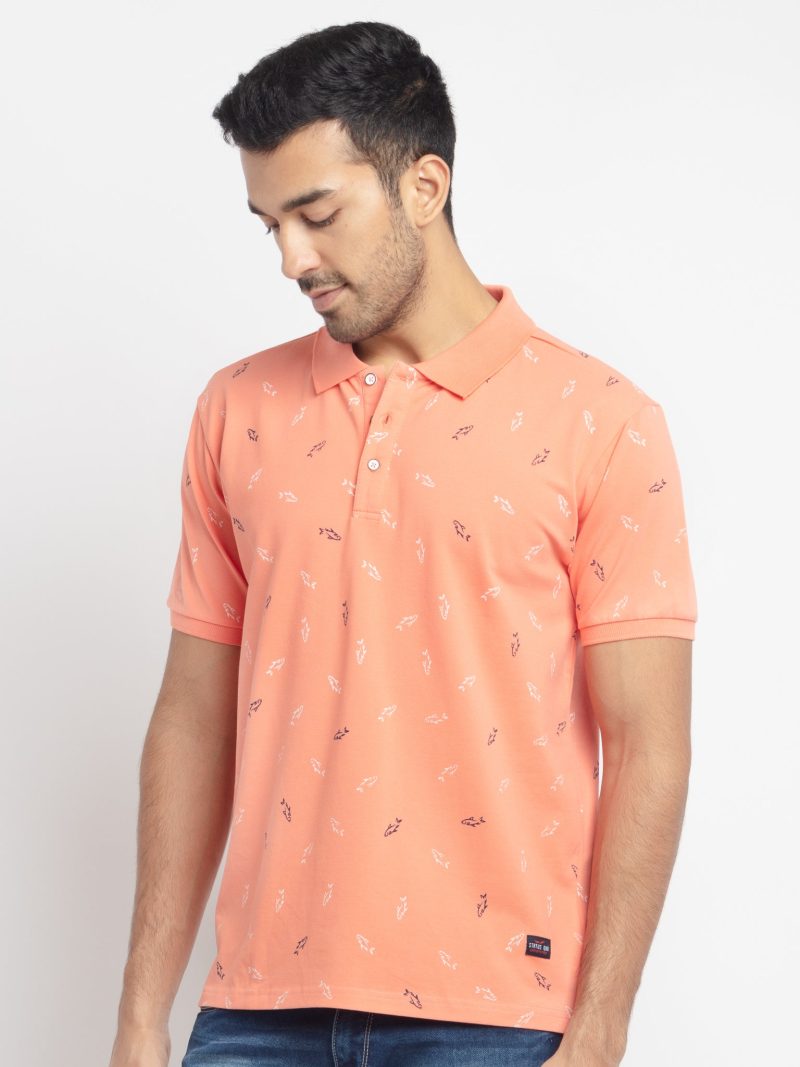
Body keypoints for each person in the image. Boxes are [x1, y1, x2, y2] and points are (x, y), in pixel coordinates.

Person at [108, 19, 697, 1067]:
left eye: (317, 213)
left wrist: (601, 1023)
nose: (291, 258)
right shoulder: (237, 410)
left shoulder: (600, 420)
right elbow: (193, 716)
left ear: (424, 185)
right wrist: (141, 1017)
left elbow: (648, 739)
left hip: (499, 1017)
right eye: (269, 224)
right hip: (256, 1008)